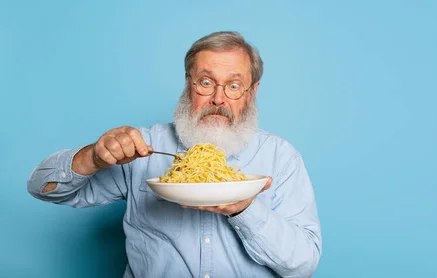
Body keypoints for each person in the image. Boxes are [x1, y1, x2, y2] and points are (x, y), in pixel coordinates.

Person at [27, 31, 322, 278]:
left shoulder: (280, 157)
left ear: (252, 92)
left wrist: (245, 210)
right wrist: (92, 157)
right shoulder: (142, 147)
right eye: (206, 82)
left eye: (234, 86)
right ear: (188, 84)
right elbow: (44, 189)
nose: (218, 99)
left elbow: (303, 264)